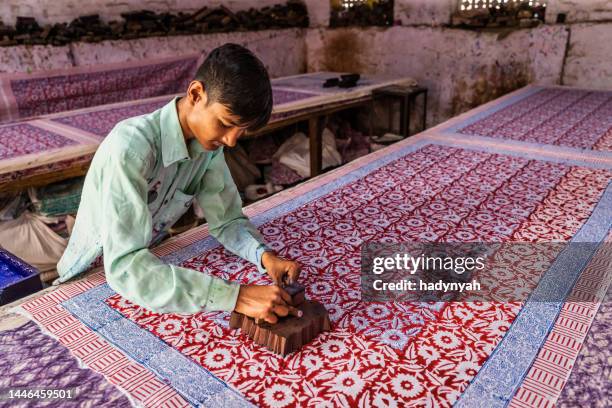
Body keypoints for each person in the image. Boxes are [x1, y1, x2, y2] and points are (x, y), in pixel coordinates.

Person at [57, 43, 302, 323]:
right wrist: (236, 296)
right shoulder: (131, 149)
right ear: (196, 94)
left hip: (147, 265)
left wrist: (265, 257)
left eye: (241, 131)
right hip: (94, 276)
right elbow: (124, 266)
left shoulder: (207, 149)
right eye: (225, 123)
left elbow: (227, 221)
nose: (232, 140)